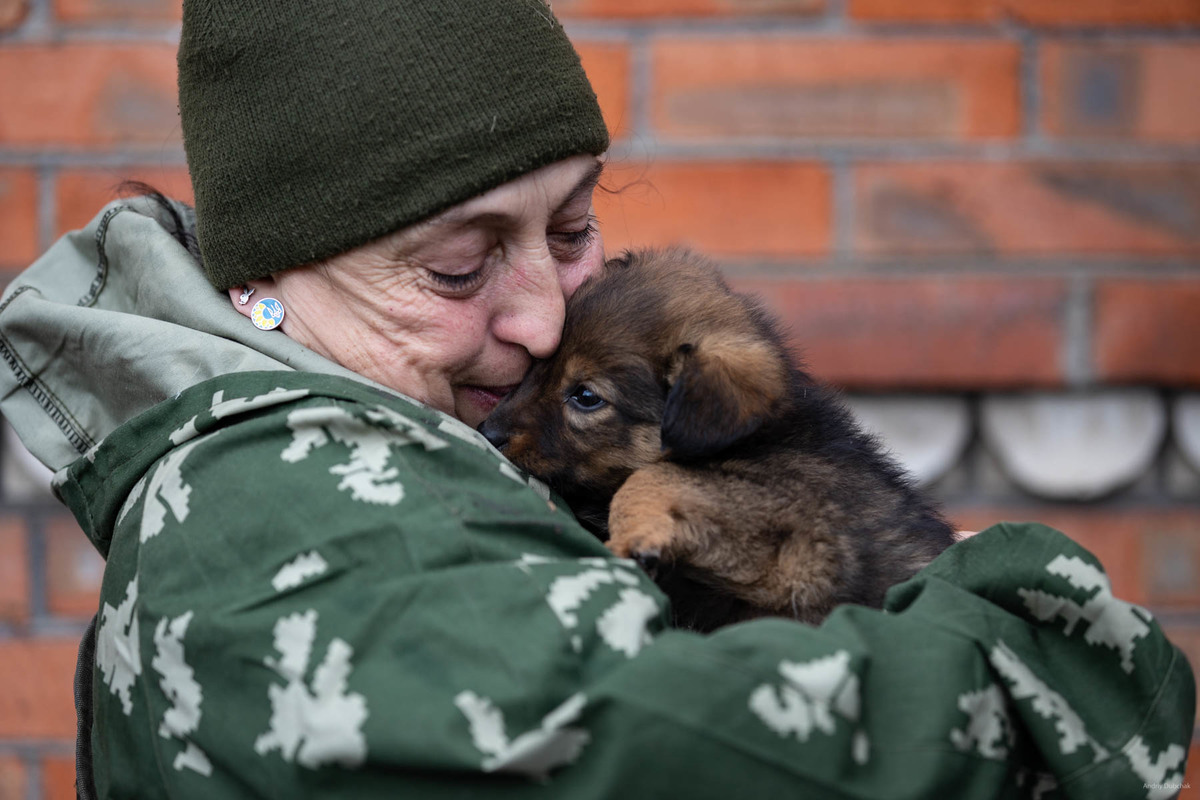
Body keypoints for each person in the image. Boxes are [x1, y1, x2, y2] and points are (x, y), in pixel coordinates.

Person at [0, 0, 1192, 797]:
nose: (540, 315)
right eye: (457, 269)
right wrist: (1036, 626)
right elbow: (719, 749)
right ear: (264, 281)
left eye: (573, 228)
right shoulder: (300, 525)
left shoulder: (422, 444)